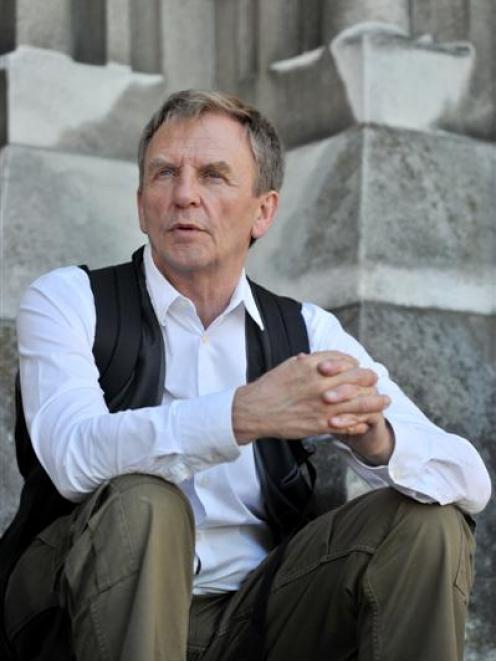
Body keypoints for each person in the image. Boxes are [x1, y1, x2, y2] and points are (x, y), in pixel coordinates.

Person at [3, 89, 491, 661]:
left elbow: (469, 480)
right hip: (83, 609)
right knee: (146, 501)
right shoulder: (70, 300)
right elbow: (69, 456)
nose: (184, 195)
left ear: (263, 210)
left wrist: (375, 438)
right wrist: (240, 415)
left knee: (425, 523)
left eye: (213, 175)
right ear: (141, 204)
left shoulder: (306, 331)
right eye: (164, 174)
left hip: (260, 616)